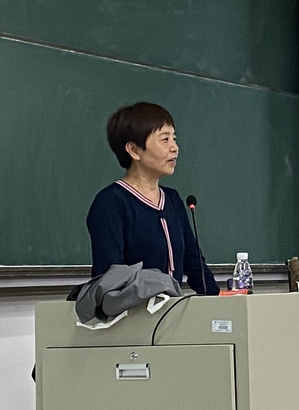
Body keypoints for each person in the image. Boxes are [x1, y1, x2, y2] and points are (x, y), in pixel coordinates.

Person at [86, 102, 220, 295]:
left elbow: (194, 263)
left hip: (174, 308)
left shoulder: (172, 200)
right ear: (134, 150)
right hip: (132, 310)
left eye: (174, 139)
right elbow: (109, 278)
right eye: (164, 139)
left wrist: (218, 299)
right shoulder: (110, 202)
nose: (174, 148)